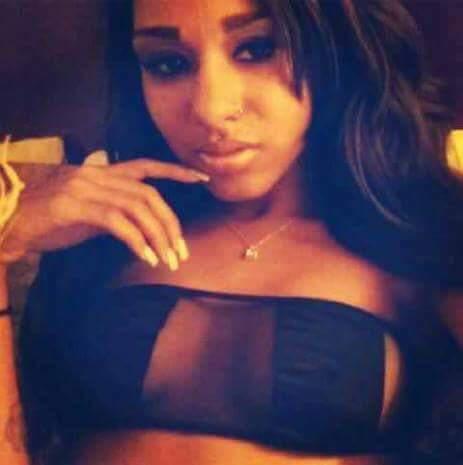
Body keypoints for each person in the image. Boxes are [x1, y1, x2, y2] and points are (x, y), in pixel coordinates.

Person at [0, 0, 462, 464]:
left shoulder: (424, 232)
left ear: (335, 47)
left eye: (257, 48)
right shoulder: (94, 233)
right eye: (167, 64)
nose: (210, 109)